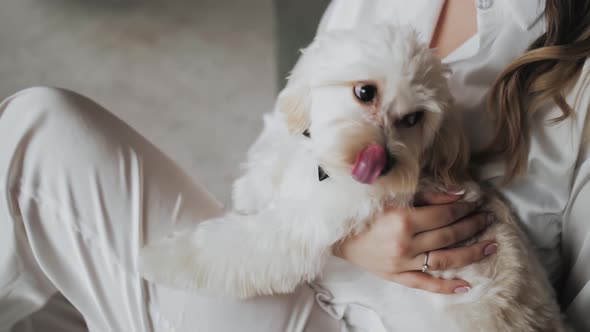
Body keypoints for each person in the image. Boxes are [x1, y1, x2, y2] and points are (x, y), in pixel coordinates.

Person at [0, 0, 588, 331]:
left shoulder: (578, 72)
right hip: (301, 281)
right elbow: (289, 125)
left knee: (36, 147)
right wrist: (340, 237)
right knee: (44, 167)